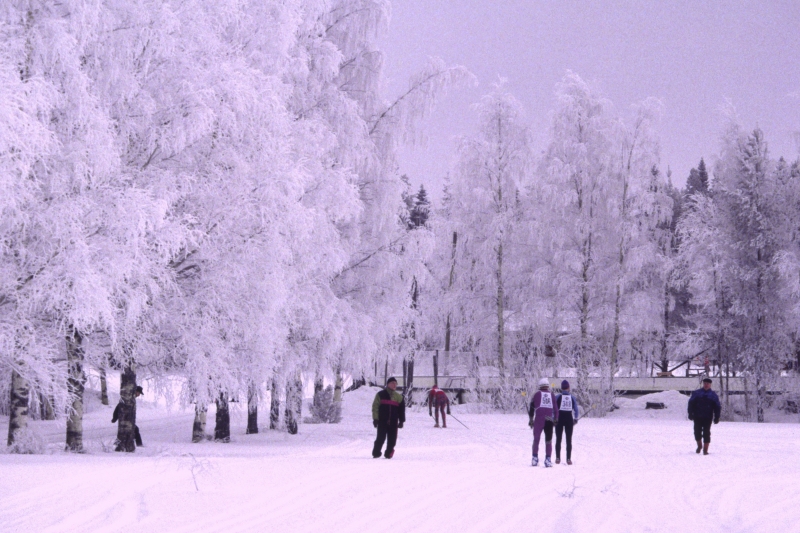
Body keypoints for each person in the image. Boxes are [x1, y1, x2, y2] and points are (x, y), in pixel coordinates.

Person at [372, 377, 406, 459]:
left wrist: (401, 421)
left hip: (393, 422)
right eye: (392, 383)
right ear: (388, 384)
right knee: (380, 438)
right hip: (382, 421)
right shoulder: (380, 394)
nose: (394, 385)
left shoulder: (399, 397)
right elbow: (375, 407)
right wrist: (375, 419)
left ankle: (388, 453)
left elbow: (402, 410)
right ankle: (376, 453)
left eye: (395, 383)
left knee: (392, 439)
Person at [528, 378, 558, 467]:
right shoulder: (552, 394)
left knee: (536, 439)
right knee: (548, 440)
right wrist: (556, 418)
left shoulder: (536, 394)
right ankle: (548, 459)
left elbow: (531, 408)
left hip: (538, 419)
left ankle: (534, 458)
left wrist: (530, 419)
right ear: (547, 386)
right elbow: (556, 408)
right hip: (549, 420)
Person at [687, 377, 721, 455]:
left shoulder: (713, 395)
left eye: (708, 384)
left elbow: (717, 406)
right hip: (697, 416)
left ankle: (705, 450)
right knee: (697, 432)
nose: (706, 385)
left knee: (706, 433)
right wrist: (690, 413)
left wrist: (717, 417)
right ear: (703, 384)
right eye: (705, 383)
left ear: (710, 385)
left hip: (707, 417)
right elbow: (691, 403)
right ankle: (699, 446)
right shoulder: (697, 393)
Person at [555, 380, 580, 465]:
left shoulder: (558, 396)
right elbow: (576, 409)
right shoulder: (572, 397)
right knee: (569, 440)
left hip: (559, 419)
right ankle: (568, 459)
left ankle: (557, 458)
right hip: (569, 418)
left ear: (561, 388)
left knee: (558, 439)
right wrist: (576, 418)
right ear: (568, 388)